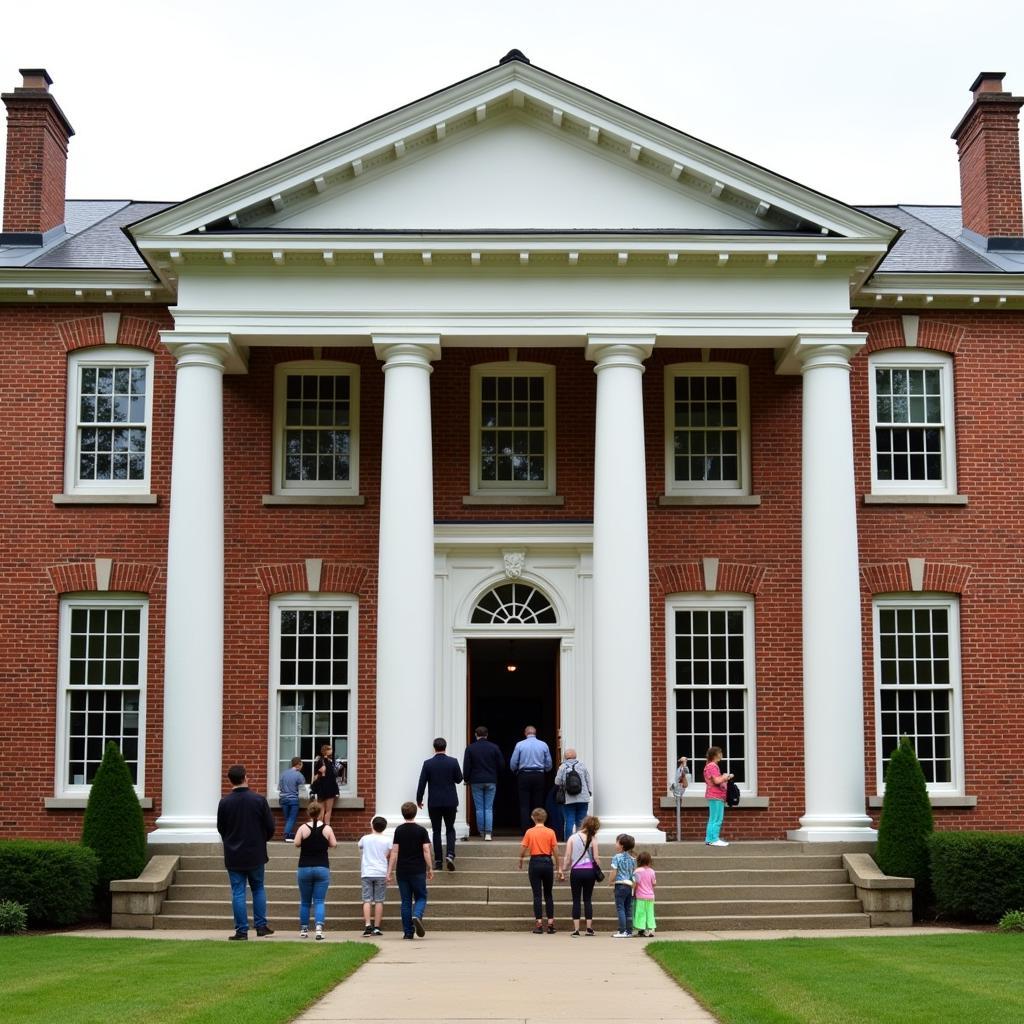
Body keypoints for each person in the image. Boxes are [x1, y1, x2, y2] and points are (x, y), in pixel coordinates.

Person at [216, 764, 275, 940]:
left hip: (234, 853)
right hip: (255, 852)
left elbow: (221, 828)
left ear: (229, 780)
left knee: (238, 892)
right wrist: (260, 840)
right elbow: (270, 827)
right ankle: (261, 925)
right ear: (245, 777)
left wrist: (230, 841)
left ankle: (242, 930)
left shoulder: (225, 802)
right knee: (258, 888)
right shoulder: (258, 800)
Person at [386, 800, 434, 939]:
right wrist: (430, 868)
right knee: (421, 896)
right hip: (418, 870)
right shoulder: (421, 830)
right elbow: (426, 849)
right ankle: (417, 915)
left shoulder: (399, 830)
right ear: (415, 813)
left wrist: (389, 871)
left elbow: (394, 852)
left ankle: (408, 932)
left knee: (406, 901)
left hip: (402, 870)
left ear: (403, 814)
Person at [417, 737, 463, 871]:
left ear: (434, 748)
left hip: (434, 802)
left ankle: (438, 861)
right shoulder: (453, 762)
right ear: (445, 747)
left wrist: (419, 799)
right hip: (450, 801)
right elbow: (459, 779)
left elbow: (422, 783)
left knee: (436, 831)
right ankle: (450, 854)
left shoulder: (428, 764)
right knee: (450, 828)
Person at [294, 799, 338, 939]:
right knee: (319, 900)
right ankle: (319, 929)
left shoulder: (302, 828)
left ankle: (304, 929)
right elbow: (333, 844)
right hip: (322, 867)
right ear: (321, 813)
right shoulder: (327, 828)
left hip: (305, 867)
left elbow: (296, 843)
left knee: (305, 901)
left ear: (309, 812)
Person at [517, 807, 559, 934]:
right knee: (548, 894)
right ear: (545, 818)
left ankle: (539, 924)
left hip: (535, 862)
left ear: (532, 818)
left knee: (537, 894)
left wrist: (520, 859)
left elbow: (523, 848)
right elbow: (555, 850)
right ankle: (551, 924)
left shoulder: (529, 832)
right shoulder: (550, 832)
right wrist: (558, 865)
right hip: (547, 862)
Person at [560, 814, 601, 937]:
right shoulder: (593, 839)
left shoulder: (572, 838)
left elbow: (567, 857)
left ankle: (576, 930)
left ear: (584, 823)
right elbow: (596, 858)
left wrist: (563, 869)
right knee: (587, 899)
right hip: (589, 872)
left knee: (576, 900)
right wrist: (598, 868)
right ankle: (589, 928)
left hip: (576, 871)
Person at [462, 725, 504, 840]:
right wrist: (496, 775)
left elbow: (466, 766)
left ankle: (482, 832)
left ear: (476, 735)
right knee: (488, 808)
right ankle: (488, 833)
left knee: (479, 808)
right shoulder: (494, 747)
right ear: (487, 735)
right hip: (491, 780)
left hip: (476, 781)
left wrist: (466, 779)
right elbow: (501, 765)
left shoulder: (470, 748)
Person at [510, 725, 552, 831]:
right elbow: (549, 764)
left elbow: (513, 763)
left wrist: (516, 771)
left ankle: (525, 829)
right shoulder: (543, 745)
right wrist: (544, 770)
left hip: (524, 775)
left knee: (524, 804)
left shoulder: (519, 745)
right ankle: (538, 828)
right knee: (538, 802)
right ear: (535, 733)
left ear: (525, 733)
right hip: (539, 775)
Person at [358, 815, 392, 936]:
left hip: (367, 871)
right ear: (384, 827)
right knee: (379, 900)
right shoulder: (387, 840)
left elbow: (360, 846)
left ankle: (368, 925)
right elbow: (389, 853)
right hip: (381, 872)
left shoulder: (365, 838)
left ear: (372, 825)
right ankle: (377, 927)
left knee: (367, 899)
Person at [553, 747, 592, 838]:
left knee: (569, 821)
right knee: (581, 822)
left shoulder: (562, 767)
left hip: (568, 799)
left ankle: (569, 842)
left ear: (565, 757)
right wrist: (589, 792)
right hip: (583, 799)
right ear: (575, 756)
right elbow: (588, 780)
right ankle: (581, 841)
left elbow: (557, 782)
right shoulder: (582, 765)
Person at [704, 746, 734, 847]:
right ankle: (714, 839)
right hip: (716, 796)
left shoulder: (710, 765)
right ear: (715, 755)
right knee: (717, 819)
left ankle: (710, 839)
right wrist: (725, 777)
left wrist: (725, 777)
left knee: (714, 818)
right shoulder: (712, 766)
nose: (722, 755)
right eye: (720, 753)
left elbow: (715, 779)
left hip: (715, 796)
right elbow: (716, 781)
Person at [609, 833, 636, 938]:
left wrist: (610, 881)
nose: (615, 844)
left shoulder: (617, 857)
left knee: (620, 908)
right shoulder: (632, 859)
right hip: (629, 886)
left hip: (620, 885)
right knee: (628, 909)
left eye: (617, 842)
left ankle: (622, 931)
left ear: (622, 845)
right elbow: (633, 873)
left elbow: (614, 871)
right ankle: (629, 931)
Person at [278, 756, 305, 842]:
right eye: (301, 765)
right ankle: (287, 835)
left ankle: (290, 836)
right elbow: (303, 789)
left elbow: (279, 787)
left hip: (283, 799)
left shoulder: (283, 774)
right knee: (292, 818)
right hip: (293, 799)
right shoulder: (299, 775)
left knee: (288, 819)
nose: (301, 767)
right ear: (298, 764)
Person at [311, 743, 340, 822]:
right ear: (326, 751)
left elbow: (316, 776)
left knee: (322, 810)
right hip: (329, 788)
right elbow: (331, 776)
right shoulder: (328, 762)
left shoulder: (321, 761)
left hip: (322, 788)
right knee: (328, 811)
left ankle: (319, 828)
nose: (331, 750)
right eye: (329, 749)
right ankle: (326, 827)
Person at [632, 851, 657, 937]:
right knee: (650, 912)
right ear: (649, 861)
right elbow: (654, 884)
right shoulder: (652, 871)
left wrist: (633, 892)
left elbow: (635, 883)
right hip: (650, 896)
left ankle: (640, 929)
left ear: (639, 861)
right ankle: (650, 929)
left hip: (640, 896)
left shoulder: (637, 871)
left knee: (640, 913)